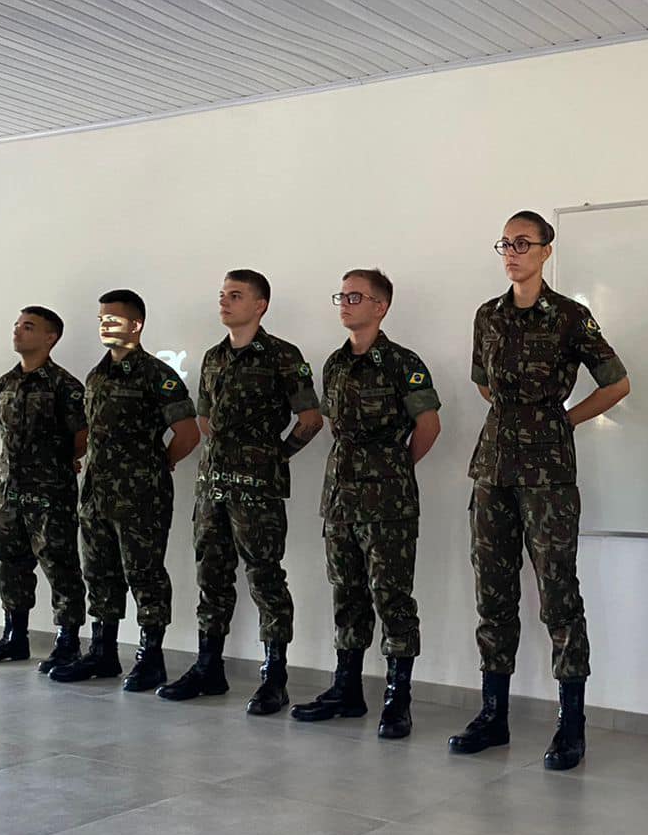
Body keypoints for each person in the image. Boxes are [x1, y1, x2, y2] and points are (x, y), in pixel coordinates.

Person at [448, 211, 630, 769]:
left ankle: (570, 724)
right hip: (493, 467)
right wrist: (516, 420)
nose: (513, 252)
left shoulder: (571, 316)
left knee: (558, 593)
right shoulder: (487, 315)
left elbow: (617, 382)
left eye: (524, 243)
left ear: (547, 251)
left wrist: (563, 420)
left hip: (548, 472)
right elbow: (483, 382)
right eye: (505, 243)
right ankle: (493, 714)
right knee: (493, 593)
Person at [158, 270, 322, 713]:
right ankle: (209, 667)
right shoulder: (213, 356)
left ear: (260, 305)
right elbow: (206, 420)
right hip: (213, 485)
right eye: (222, 295)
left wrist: (274, 457)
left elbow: (310, 419)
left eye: (236, 296)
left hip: (257, 492)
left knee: (265, 578)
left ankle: (275, 677)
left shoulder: (283, 356)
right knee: (211, 578)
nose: (225, 303)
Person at [291, 269, 441, 739]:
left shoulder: (402, 362)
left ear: (381, 307)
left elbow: (429, 427)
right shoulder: (334, 363)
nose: (345, 303)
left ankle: (398, 700)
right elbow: (336, 427)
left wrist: (392, 470)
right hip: (339, 499)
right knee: (347, 596)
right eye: (341, 295)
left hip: (388, 504)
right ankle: (346, 689)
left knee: (393, 599)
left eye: (356, 296)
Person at [50, 290, 199, 686]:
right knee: (99, 573)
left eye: (114, 319)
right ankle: (102, 652)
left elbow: (187, 432)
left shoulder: (157, 375)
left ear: (136, 325)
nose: (105, 325)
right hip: (97, 493)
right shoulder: (96, 375)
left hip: (140, 497)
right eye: (101, 318)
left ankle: (150, 657)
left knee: (144, 575)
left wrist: (160, 463)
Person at [0, 307, 89, 669]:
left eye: (29, 327)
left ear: (50, 337)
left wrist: (56, 464)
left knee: (60, 565)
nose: (18, 332)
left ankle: (67, 641)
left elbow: (81, 437)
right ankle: (14, 636)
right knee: (11, 564)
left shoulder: (65, 386)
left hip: (50, 492)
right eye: (17, 325)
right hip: (9, 490)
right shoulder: (6, 382)